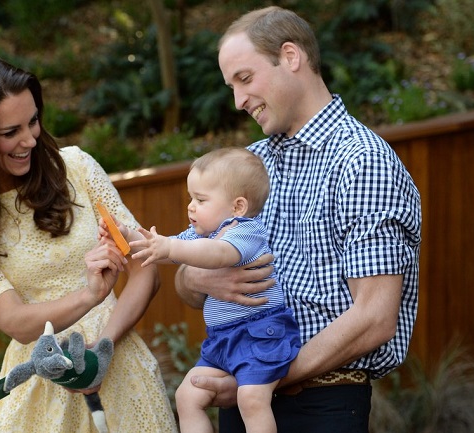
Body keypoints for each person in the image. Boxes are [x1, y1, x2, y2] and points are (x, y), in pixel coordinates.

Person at [174, 6, 422, 433]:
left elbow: (374, 317)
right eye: (230, 86)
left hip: (321, 404)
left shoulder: (362, 162)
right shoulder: (249, 166)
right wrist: (196, 278)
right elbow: (187, 280)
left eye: (245, 79)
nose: (237, 101)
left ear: (291, 57)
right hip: (244, 395)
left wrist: (263, 379)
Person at [0, 56, 177, 433]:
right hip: (38, 387)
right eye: (11, 132)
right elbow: (18, 324)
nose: (30, 139)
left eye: (33, 121)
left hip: (119, 364)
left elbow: (145, 269)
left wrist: (102, 349)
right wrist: (90, 295)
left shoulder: (76, 168)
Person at [100, 147, 301, 433]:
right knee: (187, 395)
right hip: (223, 339)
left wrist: (172, 247)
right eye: (191, 198)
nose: (190, 206)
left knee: (251, 398)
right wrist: (128, 235)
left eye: (201, 199)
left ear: (237, 207)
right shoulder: (200, 234)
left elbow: (219, 255)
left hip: (258, 335)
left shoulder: (245, 230)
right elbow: (168, 249)